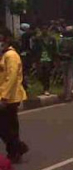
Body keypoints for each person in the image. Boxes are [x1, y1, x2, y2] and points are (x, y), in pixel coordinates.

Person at [0, 31, 29, 163]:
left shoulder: (11, 55)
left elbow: (11, 78)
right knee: (8, 127)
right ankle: (16, 149)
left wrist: (4, 97)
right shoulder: (4, 55)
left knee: (7, 127)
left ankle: (16, 149)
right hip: (6, 96)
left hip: (10, 98)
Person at [33, 25, 56, 96]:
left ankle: (46, 89)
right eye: (43, 29)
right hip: (40, 59)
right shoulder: (37, 39)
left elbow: (54, 49)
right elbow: (34, 49)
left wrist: (55, 60)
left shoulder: (52, 39)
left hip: (49, 59)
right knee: (40, 74)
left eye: (46, 29)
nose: (44, 31)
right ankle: (44, 86)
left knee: (47, 74)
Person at [57, 26, 73, 102]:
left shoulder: (60, 40)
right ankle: (68, 95)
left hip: (63, 59)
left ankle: (65, 92)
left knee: (65, 77)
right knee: (70, 77)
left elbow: (58, 50)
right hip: (71, 59)